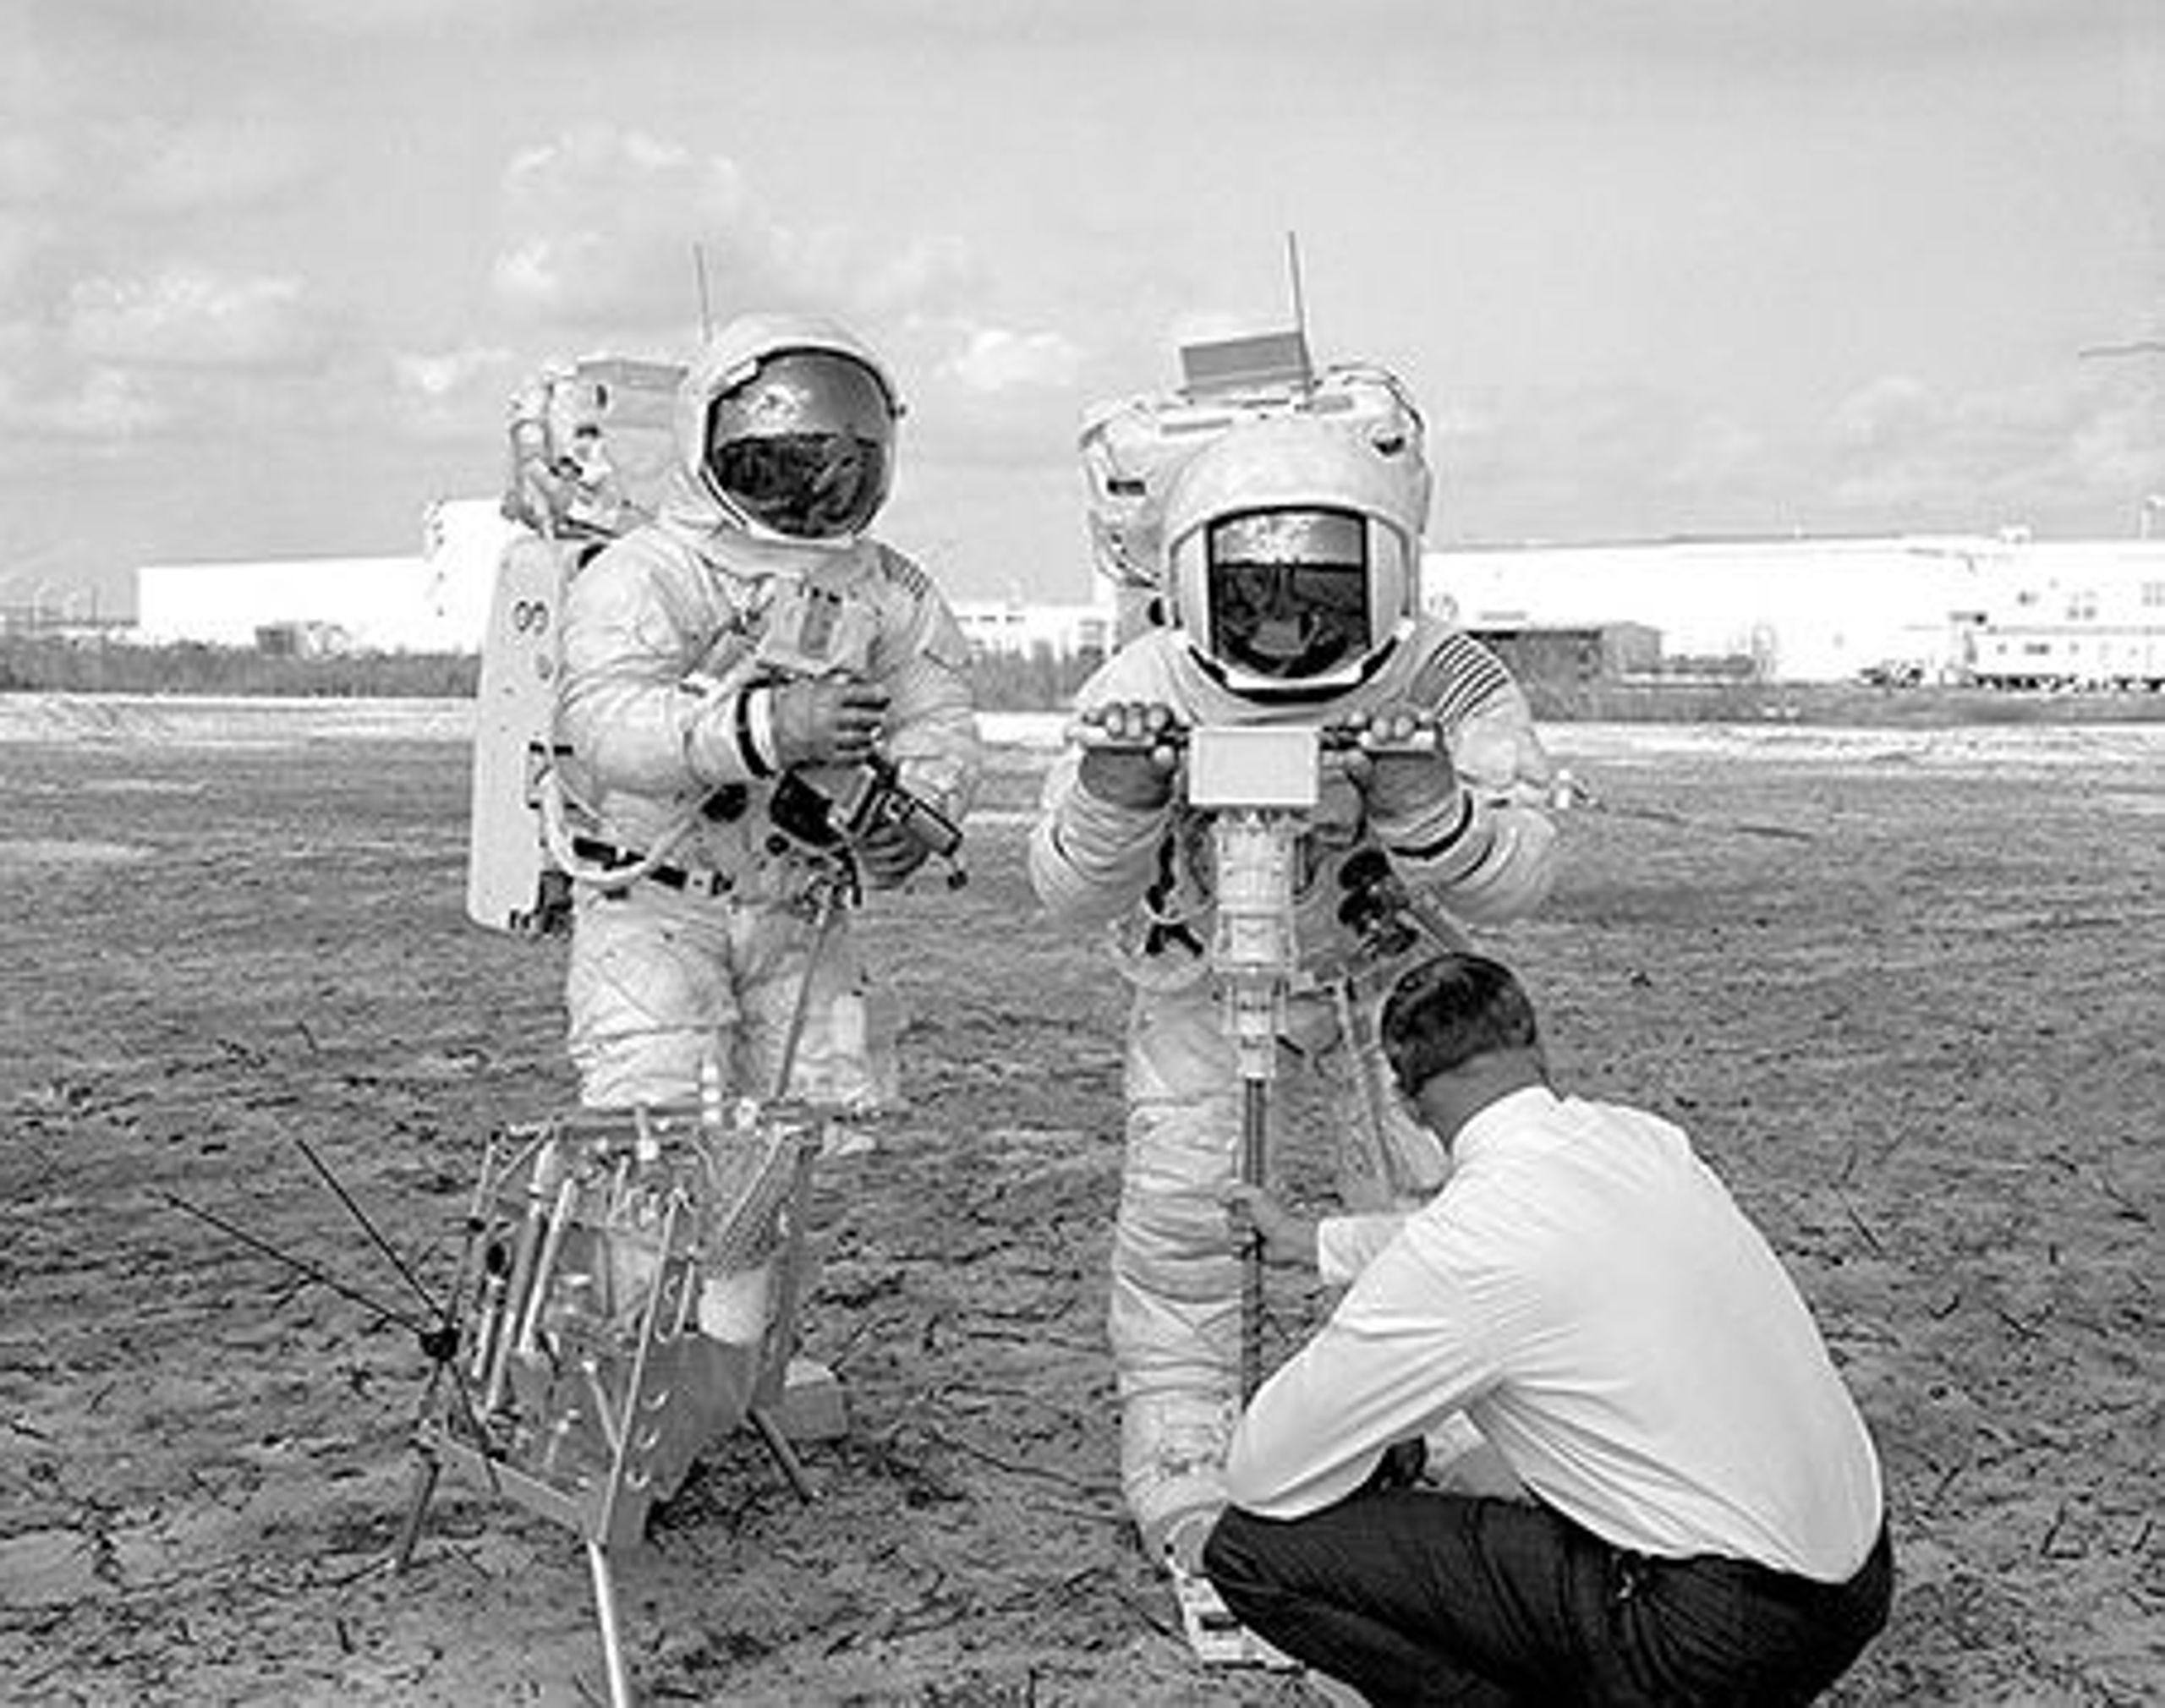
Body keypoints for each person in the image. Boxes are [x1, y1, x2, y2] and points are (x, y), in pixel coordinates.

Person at [1028, 408, 1560, 1588]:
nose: (1282, 625)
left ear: (1384, 570)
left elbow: (1523, 877)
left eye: (1317, 594)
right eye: (1255, 594)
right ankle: (1188, 1456)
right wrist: (1118, 794)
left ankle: (1474, 1427)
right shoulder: (1149, 679)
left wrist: (1428, 808)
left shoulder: (1443, 673)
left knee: (1443, 1206)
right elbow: (1064, 890)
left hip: (1387, 984)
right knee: (1186, 1224)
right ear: (1191, 582)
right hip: (1210, 977)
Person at [1204, 950, 1894, 1705]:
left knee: (1250, 1551)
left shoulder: (1465, 1248)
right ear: (1536, 1049)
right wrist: (1315, 1242)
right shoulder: (1643, 1142)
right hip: (1852, 1588)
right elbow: (1502, 1245)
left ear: (1405, 1105)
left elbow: (1262, 1471)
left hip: (1706, 1643)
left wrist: (1370, 1438)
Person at [552, 310, 981, 1116]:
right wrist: (768, 728)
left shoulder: (885, 588)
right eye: (781, 463)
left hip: (799, 909)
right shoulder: (650, 573)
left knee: (811, 1144)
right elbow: (607, 725)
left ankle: (776, 1249)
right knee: (654, 1144)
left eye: (836, 465)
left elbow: (940, 719)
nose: (808, 487)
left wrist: (914, 816)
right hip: (656, 913)